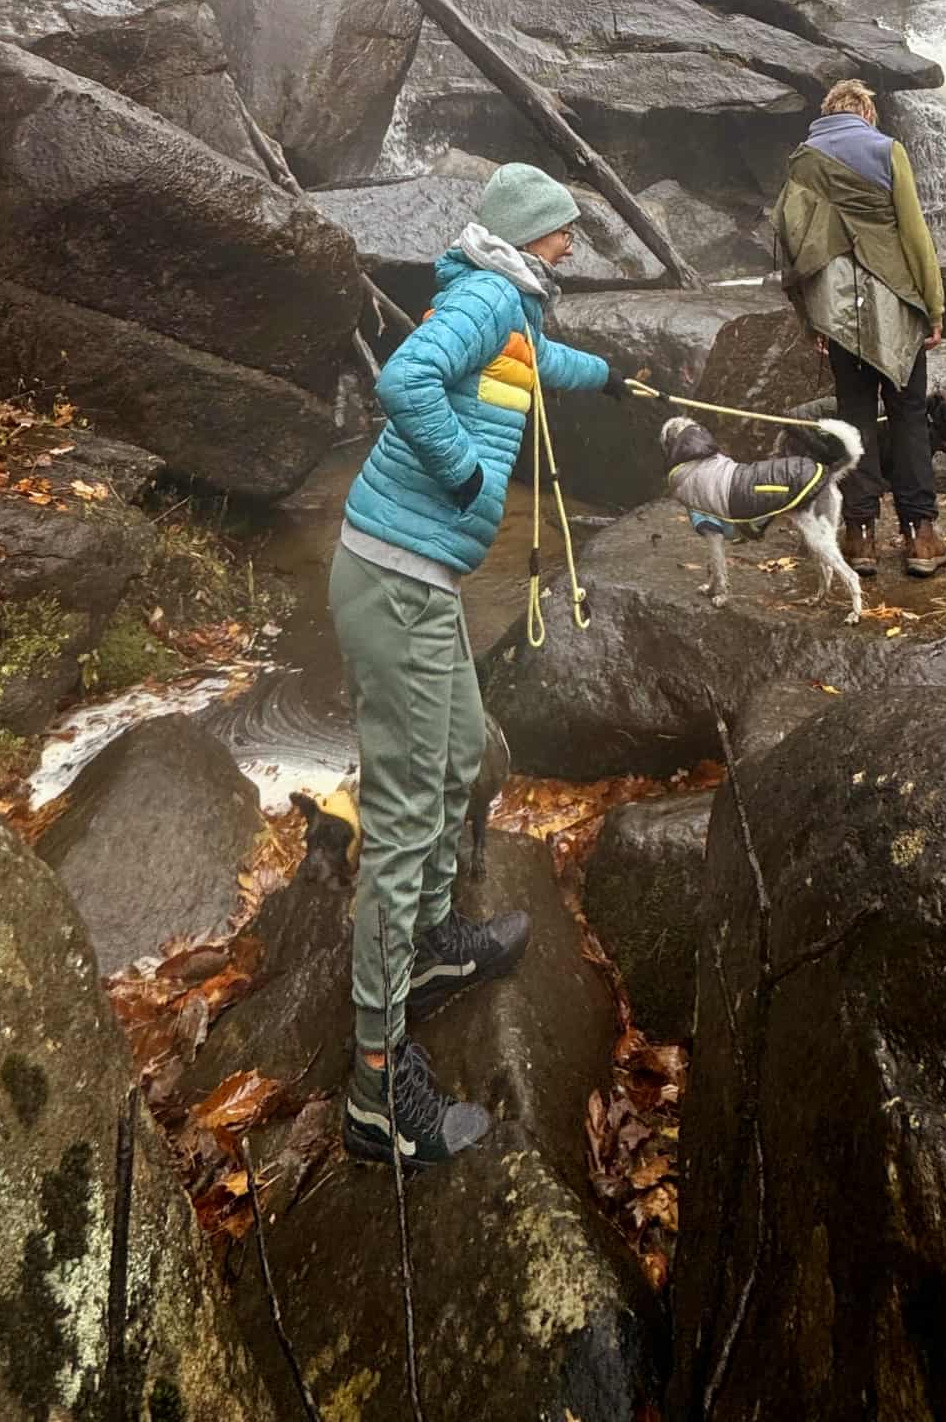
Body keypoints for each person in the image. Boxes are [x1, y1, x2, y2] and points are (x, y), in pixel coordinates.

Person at [333, 160, 619, 1167]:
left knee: (460, 755)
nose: (572, 247)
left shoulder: (509, 305)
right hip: (397, 577)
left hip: (421, 580)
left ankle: (426, 949)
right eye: (563, 233)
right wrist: (461, 472)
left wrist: (619, 380)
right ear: (525, 235)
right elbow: (404, 378)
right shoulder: (491, 293)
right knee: (407, 820)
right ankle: (375, 1087)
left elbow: (545, 363)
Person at [771, 77, 946, 580]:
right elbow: (915, 235)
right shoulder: (887, 151)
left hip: (838, 313)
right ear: (866, 115)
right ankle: (921, 536)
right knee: (909, 416)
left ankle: (860, 537)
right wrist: (934, 307)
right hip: (896, 305)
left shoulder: (803, 160)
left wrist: (810, 317)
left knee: (854, 419)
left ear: (829, 113)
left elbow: (790, 242)